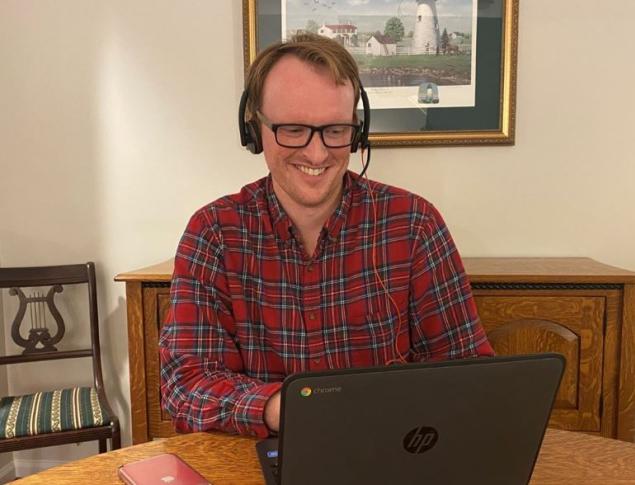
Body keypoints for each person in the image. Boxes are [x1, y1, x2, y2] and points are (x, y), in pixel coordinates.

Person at [159, 33, 494, 439]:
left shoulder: (414, 225)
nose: (317, 154)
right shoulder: (213, 234)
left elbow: (469, 372)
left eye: (335, 130)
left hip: (389, 457)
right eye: (293, 129)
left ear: (358, 129)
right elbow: (185, 387)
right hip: (262, 457)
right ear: (255, 130)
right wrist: (283, 408)